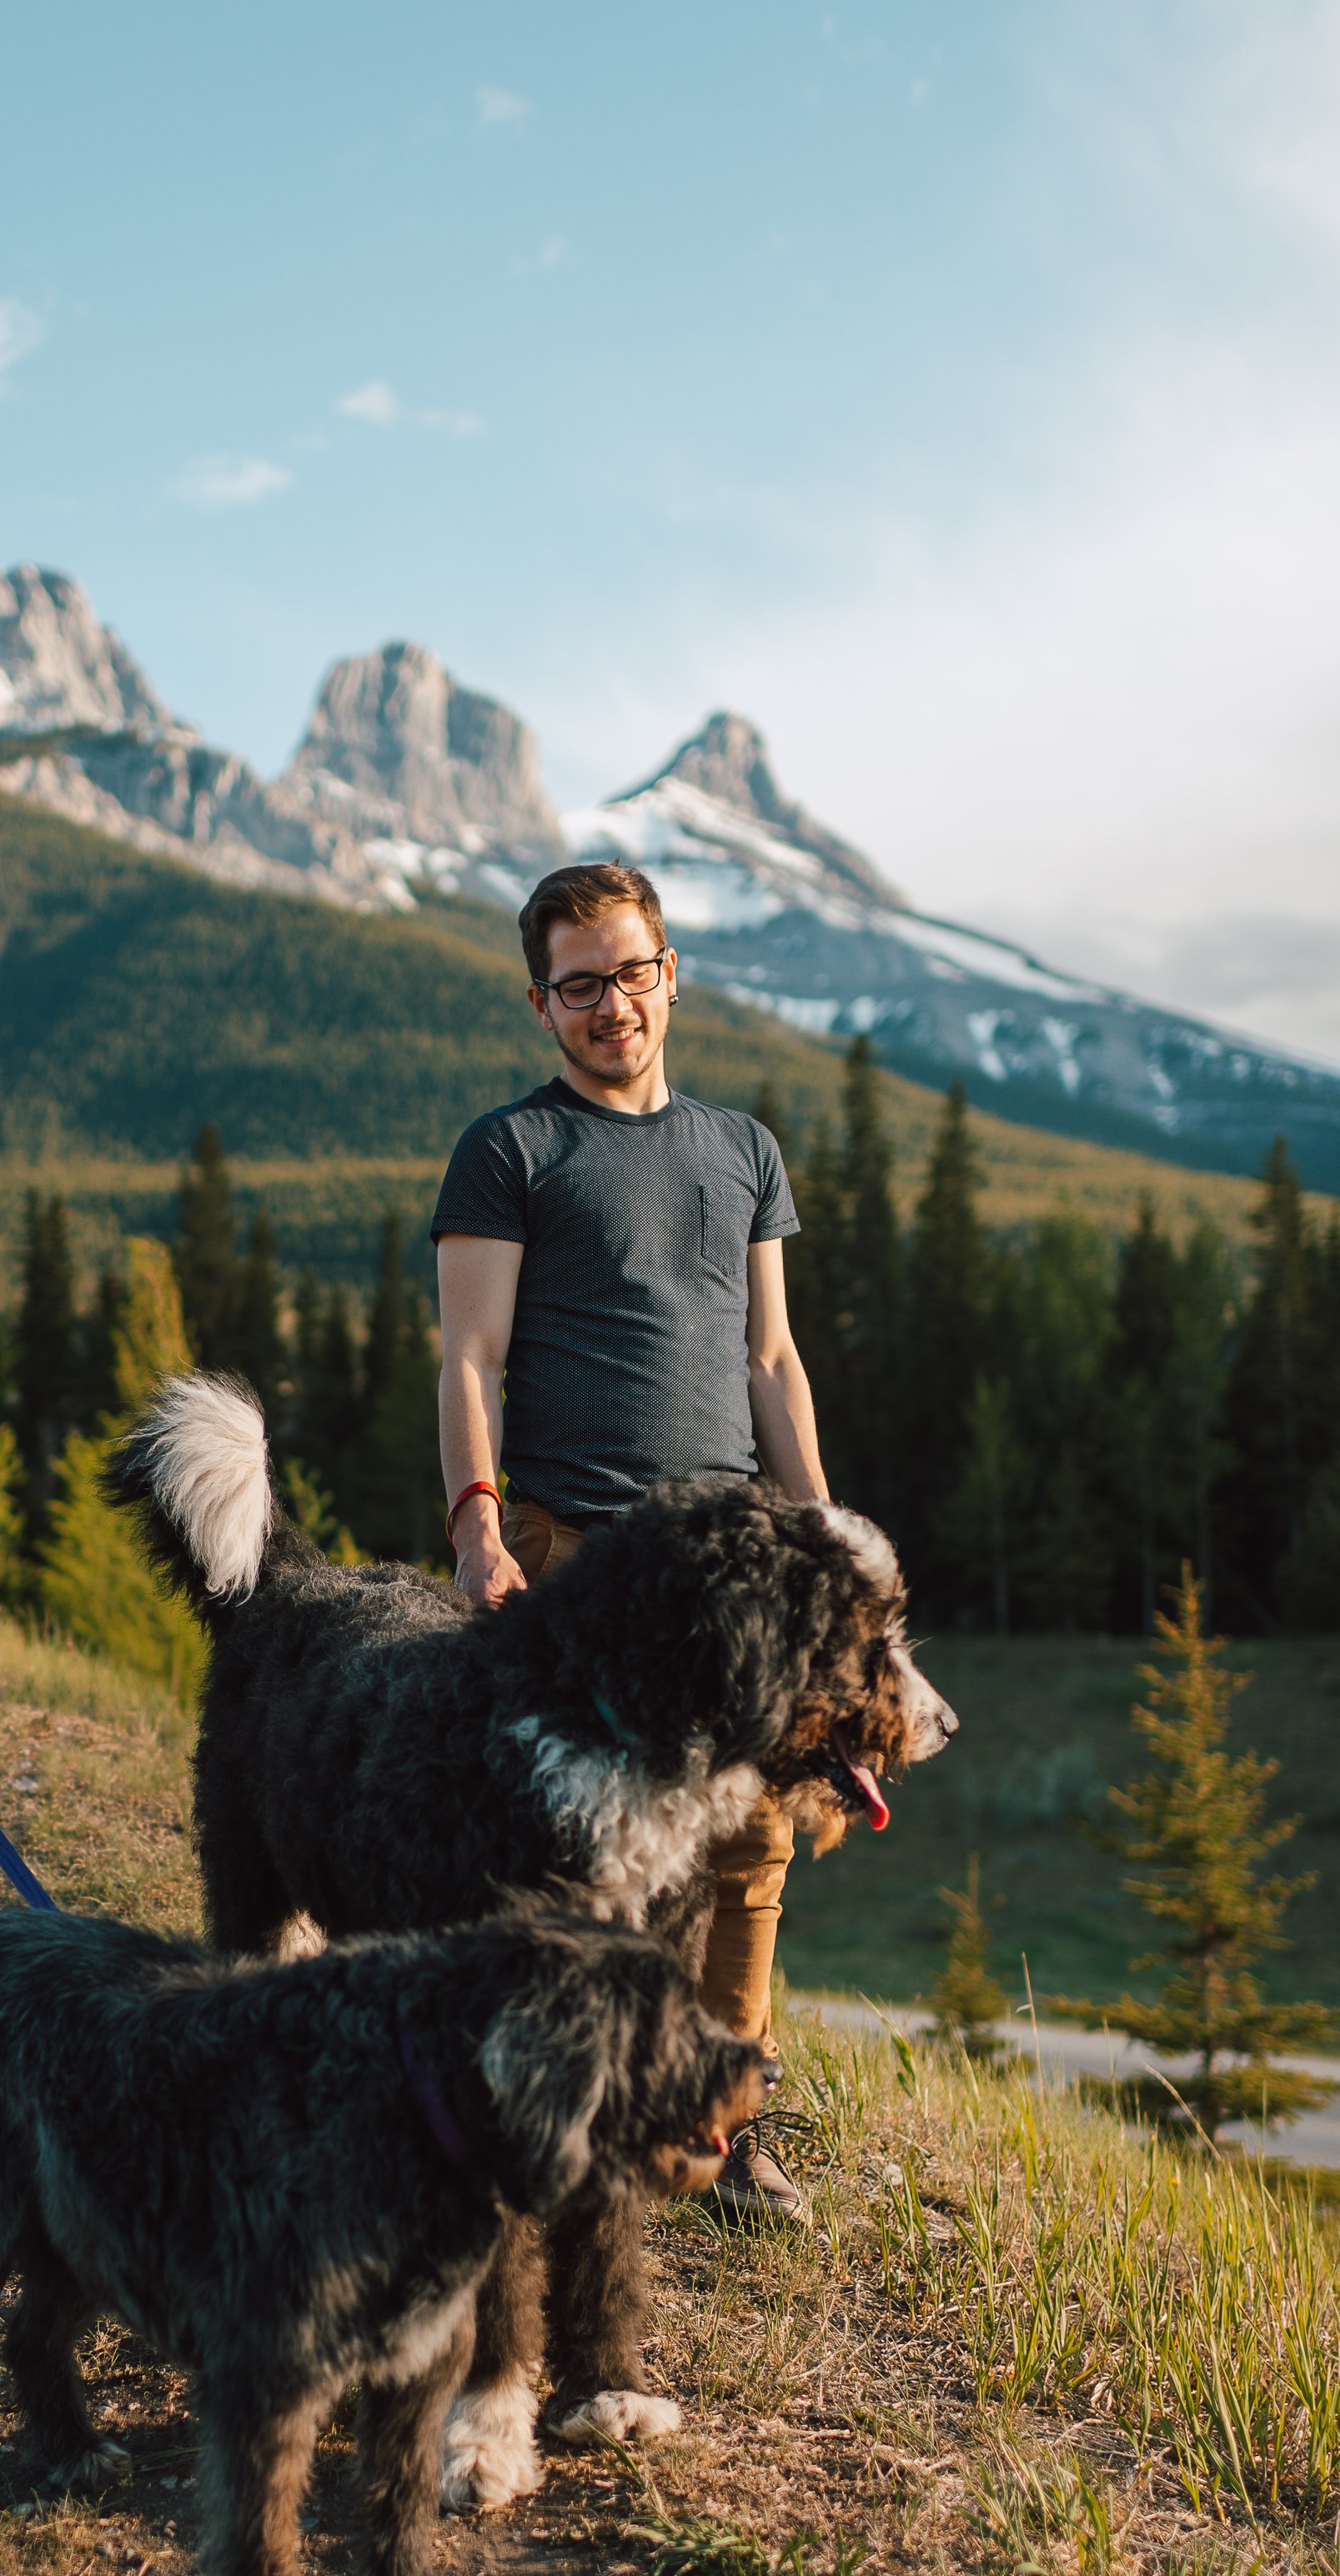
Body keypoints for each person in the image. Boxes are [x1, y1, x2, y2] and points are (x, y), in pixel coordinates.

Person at [432, 857, 827, 2222]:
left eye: (632, 972)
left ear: (673, 975)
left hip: (727, 1560)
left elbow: (771, 1359)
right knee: (566, 1845)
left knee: (749, 1841)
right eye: (581, 984)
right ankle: (559, 2114)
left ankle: (720, 2128)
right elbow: (471, 1359)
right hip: (567, 1548)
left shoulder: (744, 1151)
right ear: (541, 1001)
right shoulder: (512, 1149)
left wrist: (819, 1538)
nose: (613, 1004)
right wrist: (481, 1528)